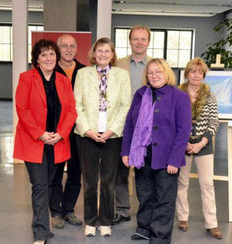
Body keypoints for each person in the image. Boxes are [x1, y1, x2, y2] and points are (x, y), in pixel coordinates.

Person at [14, 39, 77, 244]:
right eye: (44, 55)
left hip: (57, 142)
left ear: (56, 57)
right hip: (35, 141)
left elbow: (71, 111)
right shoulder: (26, 78)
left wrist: (61, 133)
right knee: (40, 186)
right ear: (37, 60)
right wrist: (40, 133)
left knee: (50, 184)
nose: (48, 58)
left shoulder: (63, 81)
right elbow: (22, 109)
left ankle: (42, 226)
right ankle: (40, 233)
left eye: (51, 54)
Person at [121, 58, 191, 243]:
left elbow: (183, 131)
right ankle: (144, 228)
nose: (154, 76)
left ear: (167, 73)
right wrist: (126, 151)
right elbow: (130, 124)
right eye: (150, 73)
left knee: (164, 198)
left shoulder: (179, 97)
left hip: (167, 157)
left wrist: (175, 160)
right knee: (145, 194)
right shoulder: (140, 94)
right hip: (141, 154)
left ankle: (160, 236)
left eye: (158, 72)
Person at [74, 37, 132, 237]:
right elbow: (76, 105)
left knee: (109, 180)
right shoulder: (82, 74)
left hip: (112, 137)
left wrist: (111, 130)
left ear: (113, 54)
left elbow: (126, 106)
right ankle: (90, 221)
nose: (103, 54)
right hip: (87, 135)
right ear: (94, 53)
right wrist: (88, 130)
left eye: (107, 51)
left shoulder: (122, 75)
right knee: (89, 180)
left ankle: (106, 220)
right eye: (100, 50)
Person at [175, 57, 222, 239]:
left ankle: (212, 224)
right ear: (187, 73)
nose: (196, 75)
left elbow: (213, 122)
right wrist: (184, 141)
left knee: (207, 184)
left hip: (204, 145)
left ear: (203, 75)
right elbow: (175, 120)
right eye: (193, 71)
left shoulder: (210, 96)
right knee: (182, 182)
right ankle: (182, 217)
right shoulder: (178, 94)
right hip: (182, 144)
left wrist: (202, 142)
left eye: (200, 72)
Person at [114, 25, 152, 225]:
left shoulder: (156, 65)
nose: (139, 42)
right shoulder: (118, 65)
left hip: (146, 127)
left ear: (148, 41)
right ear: (130, 41)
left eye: (143, 39)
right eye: (135, 39)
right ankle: (121, 209)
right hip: (122, 123)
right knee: (121, 169)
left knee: (144, 172)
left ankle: (146, 211)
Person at [48, 34, 86, 229]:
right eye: (64, 46)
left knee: (75, 172)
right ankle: (55, 211)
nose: (69, 49)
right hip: (56, 131)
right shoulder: (50, 71)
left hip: (77, 131)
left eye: (72, 46)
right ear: (57, 49)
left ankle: (68, 209)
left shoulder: (84, 71)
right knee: (54, 172)